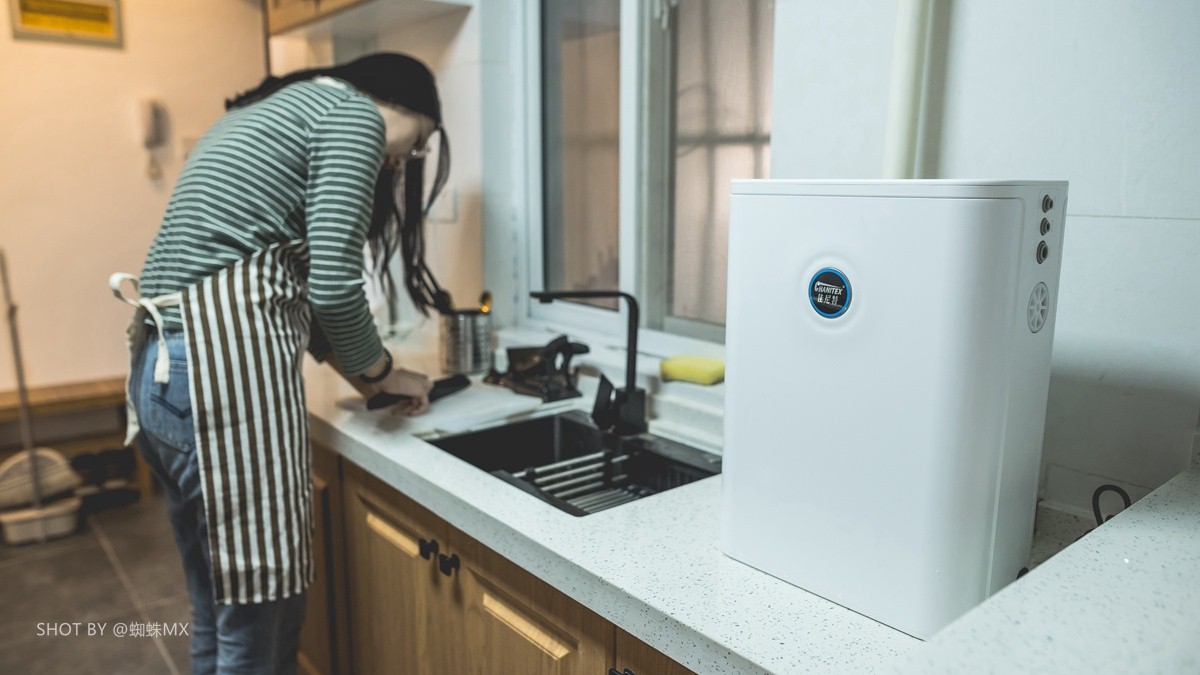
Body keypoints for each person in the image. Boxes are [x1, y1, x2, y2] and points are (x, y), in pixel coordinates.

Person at [109, 53, 452, 674]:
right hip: (219, 381)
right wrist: (380, 373)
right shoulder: (353, 115)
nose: (402, 162)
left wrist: (372, 374)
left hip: (161, 373)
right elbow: (335, 288)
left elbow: (273, 276)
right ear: (398, 102)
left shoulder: (259, 114)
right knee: (260, 629)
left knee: (217, 608)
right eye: (419, 141)